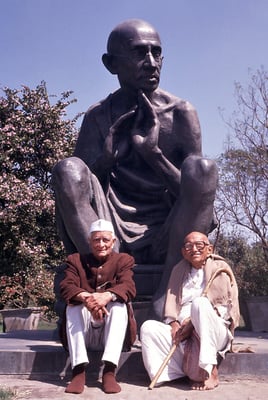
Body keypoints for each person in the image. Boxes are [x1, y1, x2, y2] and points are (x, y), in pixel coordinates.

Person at [52, 18, 218, 319]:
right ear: (111, 63)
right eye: (140, 53)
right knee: (68, 170)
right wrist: (107, 160)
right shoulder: (98, 117)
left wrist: (153, 155)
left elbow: (198, 197)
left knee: (203, 168)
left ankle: (168, 290)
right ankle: (113, 282)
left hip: (169, 229)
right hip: (109, 231)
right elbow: (77, 195)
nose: (152, 63)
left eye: (157, 53)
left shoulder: (181, 113)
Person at [140, 231, 240, 391]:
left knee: (199, 304)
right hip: (183, 331)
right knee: (149, 328)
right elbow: (171, 305)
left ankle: (209, 370)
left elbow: (225, 308)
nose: (194, 248)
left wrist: (193, 323)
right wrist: (174, 324)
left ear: (210, 248)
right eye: (189, 245)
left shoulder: (220, 268)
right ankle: (175, 374)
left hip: (213, 331)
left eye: (199, 244)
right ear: (183, 252)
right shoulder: (178, 270)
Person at [59, 219, 136, 394]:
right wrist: (87, 298)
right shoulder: (75, 260)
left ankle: (109, 372)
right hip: (84, 331)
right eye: (96, 240)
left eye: (105, 240)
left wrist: (107, 296)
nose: (101, 244)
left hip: (110, 330)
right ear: (89, 241)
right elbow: (66, 286)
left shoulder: (124, 260)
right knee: (73, 306)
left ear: (113, 242)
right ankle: (78, 371)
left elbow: (128, 286)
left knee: (119, 306)